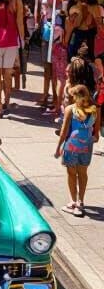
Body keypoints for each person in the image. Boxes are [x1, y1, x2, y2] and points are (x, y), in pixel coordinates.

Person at [55, 84, 99, 217]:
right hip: (86, 147)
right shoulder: (94, 110)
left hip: (71, 147)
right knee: (83, 173)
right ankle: (81, 201)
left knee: (71, 174)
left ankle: (73, 202)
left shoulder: (70, 109)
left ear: (76, 96)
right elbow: (96, 136)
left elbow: (63, 133)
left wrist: (58, 149)